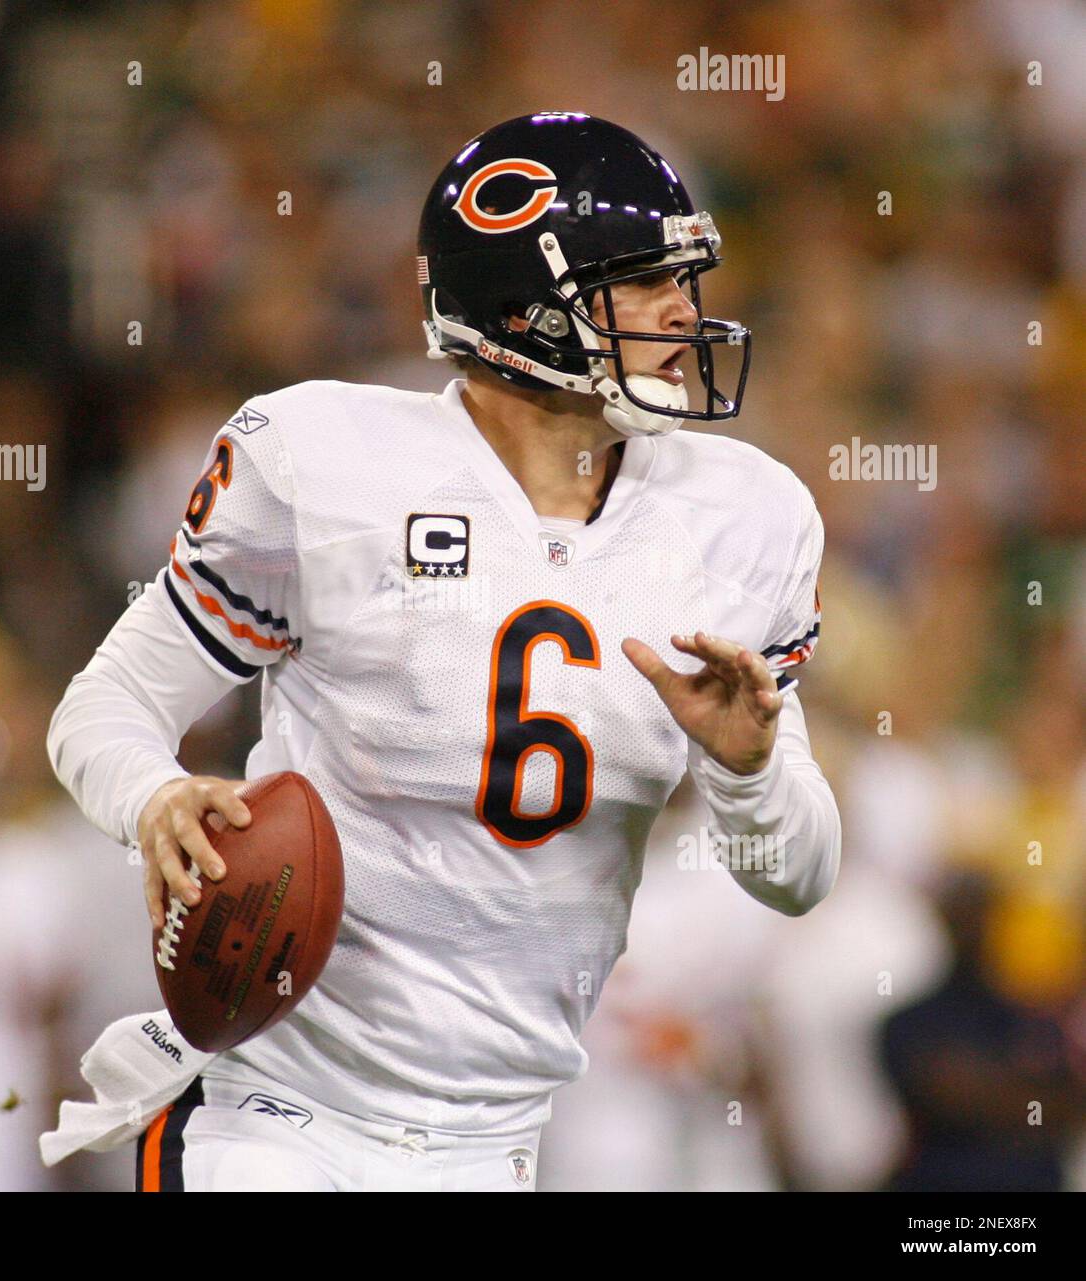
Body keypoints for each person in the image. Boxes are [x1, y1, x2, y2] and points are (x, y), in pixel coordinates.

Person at [46, 112, 841, 1192]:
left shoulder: (743, 516)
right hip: (275, 1116)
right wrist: (152, 796)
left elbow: (795, 879)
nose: (684, 314)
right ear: (524, 306)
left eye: (686, 280)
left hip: (495, 1146)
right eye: (644, 282)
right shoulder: (330, 464)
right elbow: (105, 707)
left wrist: (747, 773)